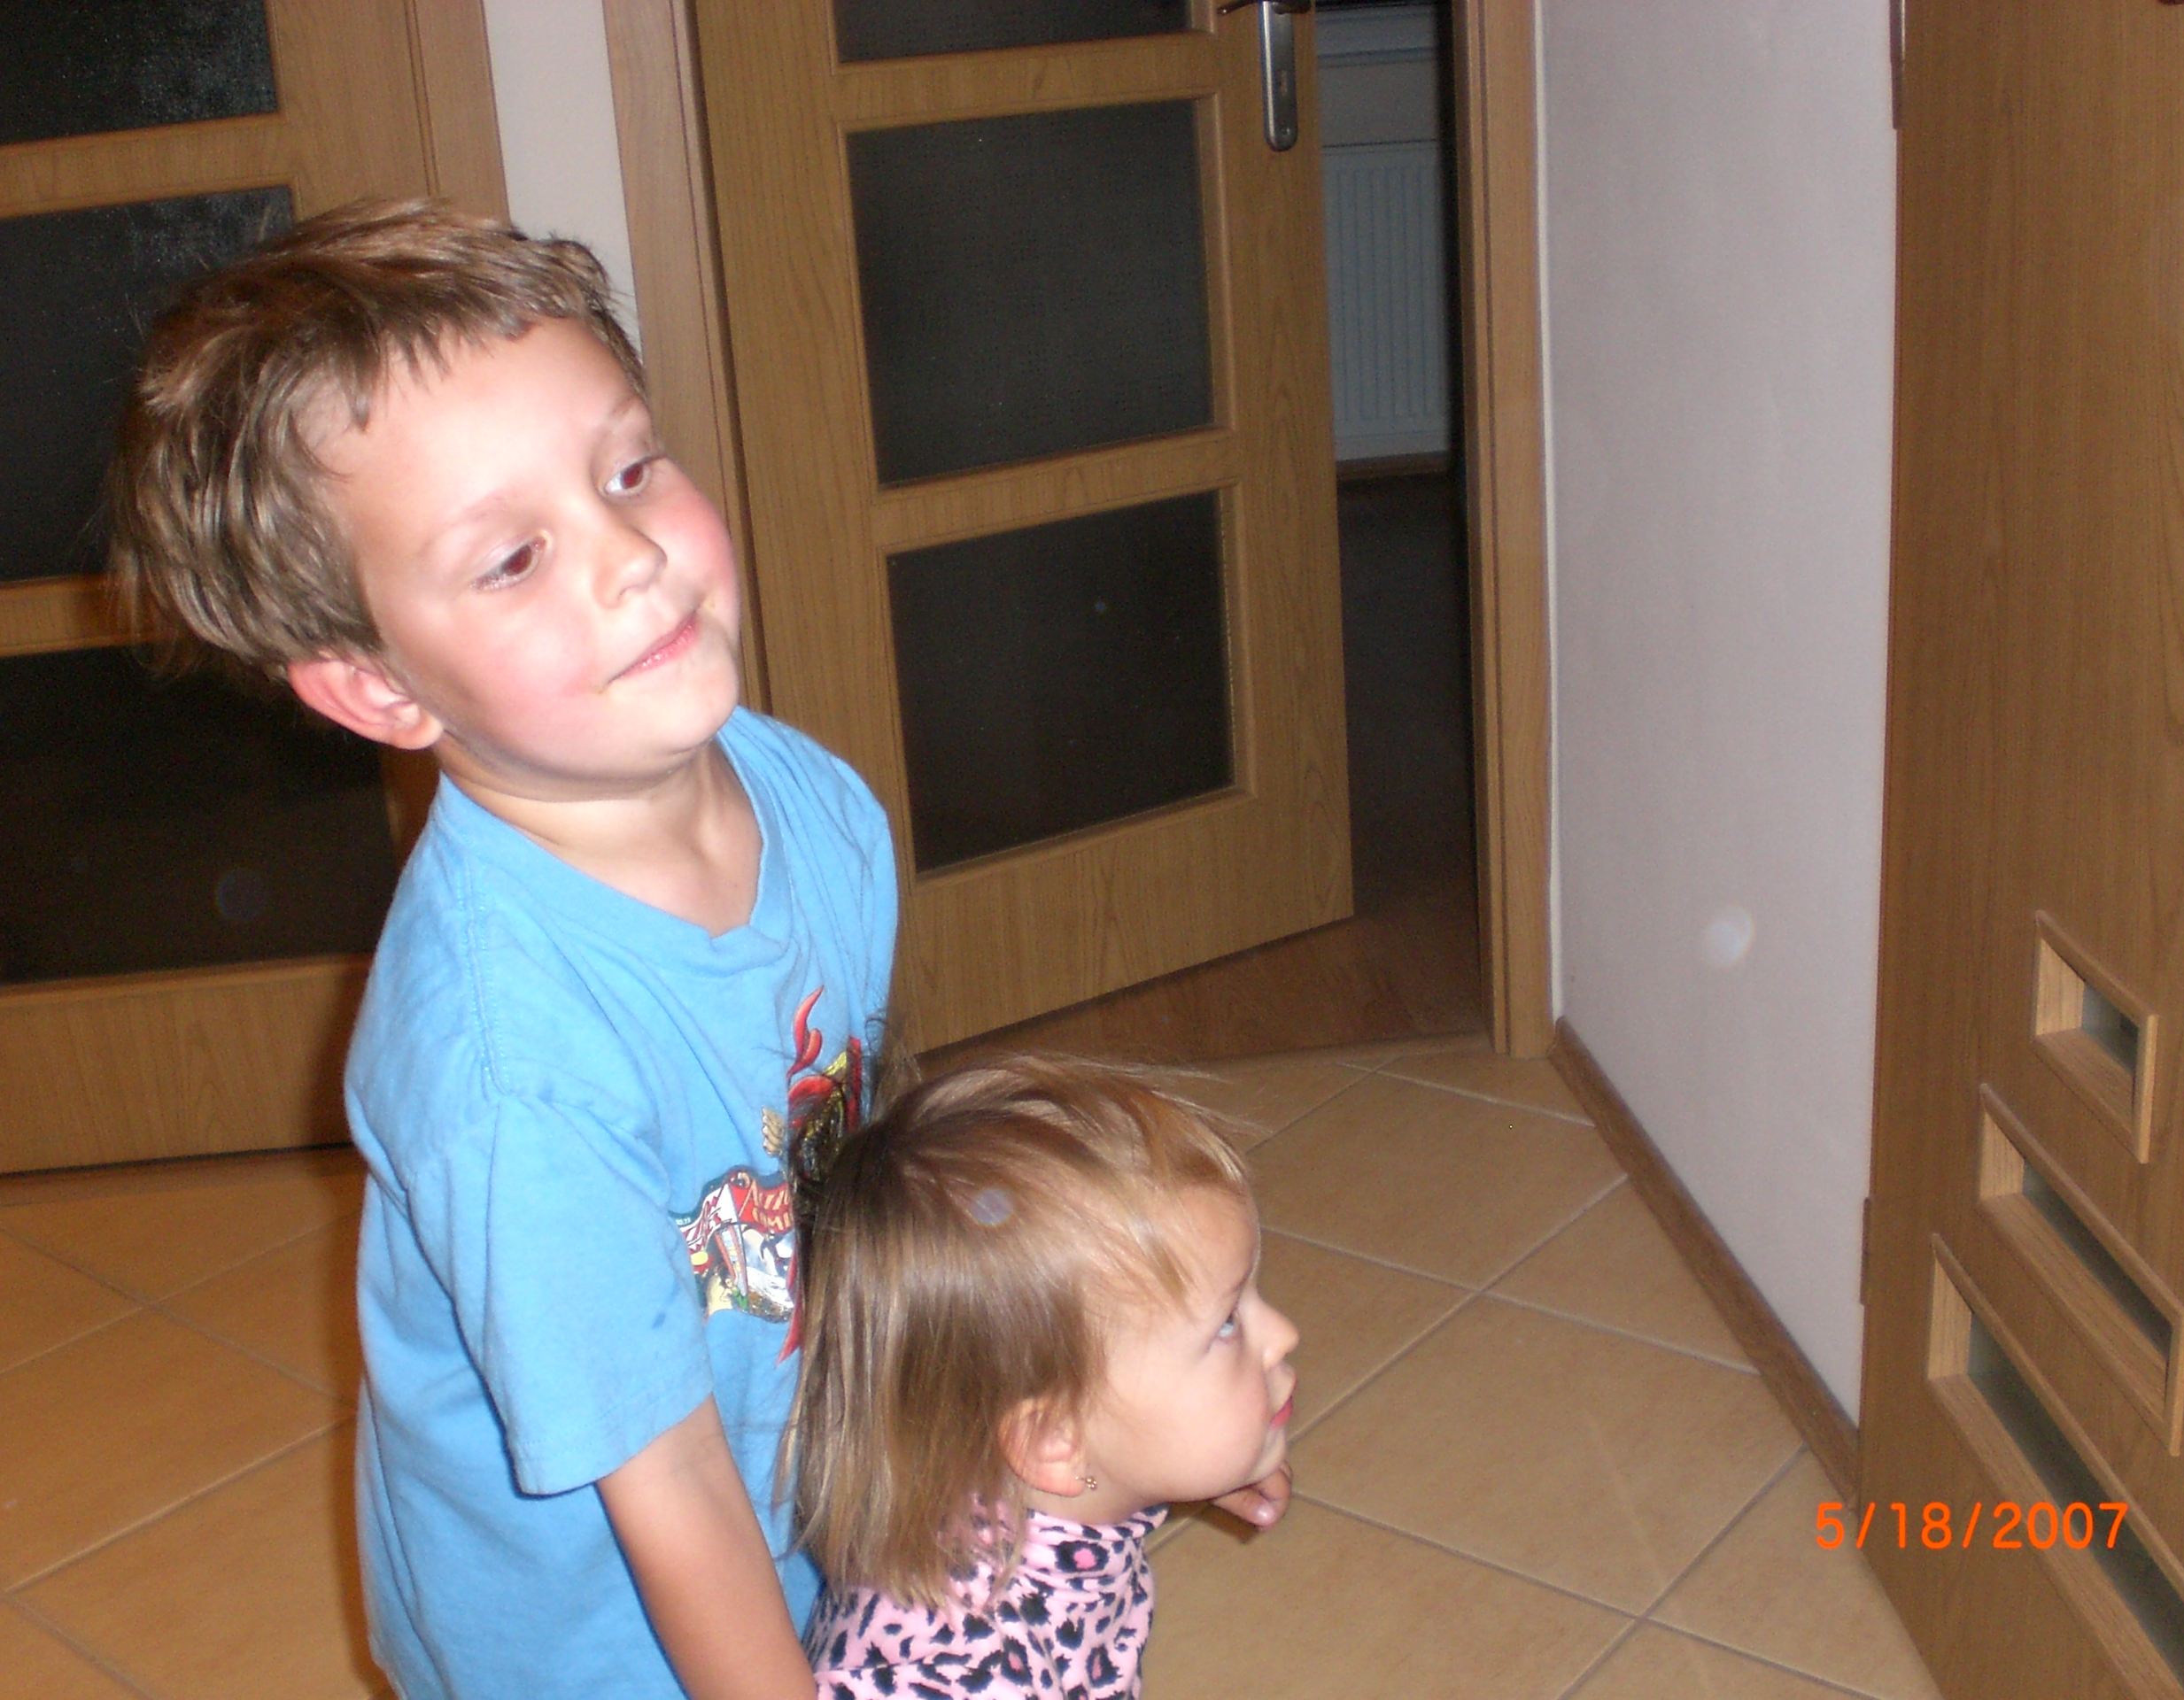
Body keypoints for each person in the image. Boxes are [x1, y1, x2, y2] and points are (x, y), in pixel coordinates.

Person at [107, 200, 894, 1699]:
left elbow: (856, 1155)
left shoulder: (813, 802)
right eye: (515, 556)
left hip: (795, 1476)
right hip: (589, 1638)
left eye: (629, 470)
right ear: (380, 690)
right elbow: (666, 1484)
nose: (632, 558)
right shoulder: (509, 1065)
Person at [791, 1057, 1300, 1698]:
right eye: (1226, 1323)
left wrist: (1223, 1446)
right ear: (1054, 1440)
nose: (1284, 1334)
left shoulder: (1036, 1490)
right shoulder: (966, 1674)